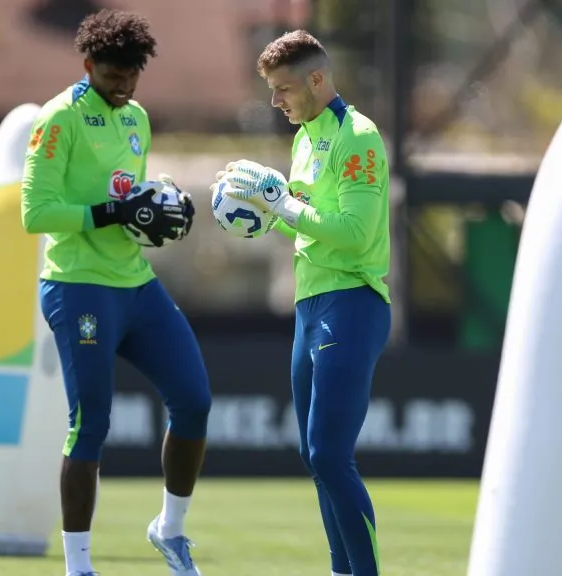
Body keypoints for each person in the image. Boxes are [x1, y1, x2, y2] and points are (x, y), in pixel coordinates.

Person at [21, 9, 210, 576]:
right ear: (88, 64)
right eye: (112, 75)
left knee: (195, 400)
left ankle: (169, 531)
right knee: (92, 423)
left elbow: (134, 199)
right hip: (78, 287)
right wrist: (113, 212)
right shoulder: (60, 118)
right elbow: (36, 212)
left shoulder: (138, 118)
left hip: (135, 283)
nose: (123, 85)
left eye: (132, 74)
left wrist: (163, 208)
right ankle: (78, 566)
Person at [213, 29, 392, 576]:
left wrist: (284, 207)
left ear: (317, 79)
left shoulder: (356, 135)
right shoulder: (303, 138)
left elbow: (357, 234)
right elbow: (308, 221)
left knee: (330, 456)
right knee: (315, 458)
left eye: (284, 89)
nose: (276, 102)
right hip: (311, 305)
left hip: (352, 302)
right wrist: (270, 211)